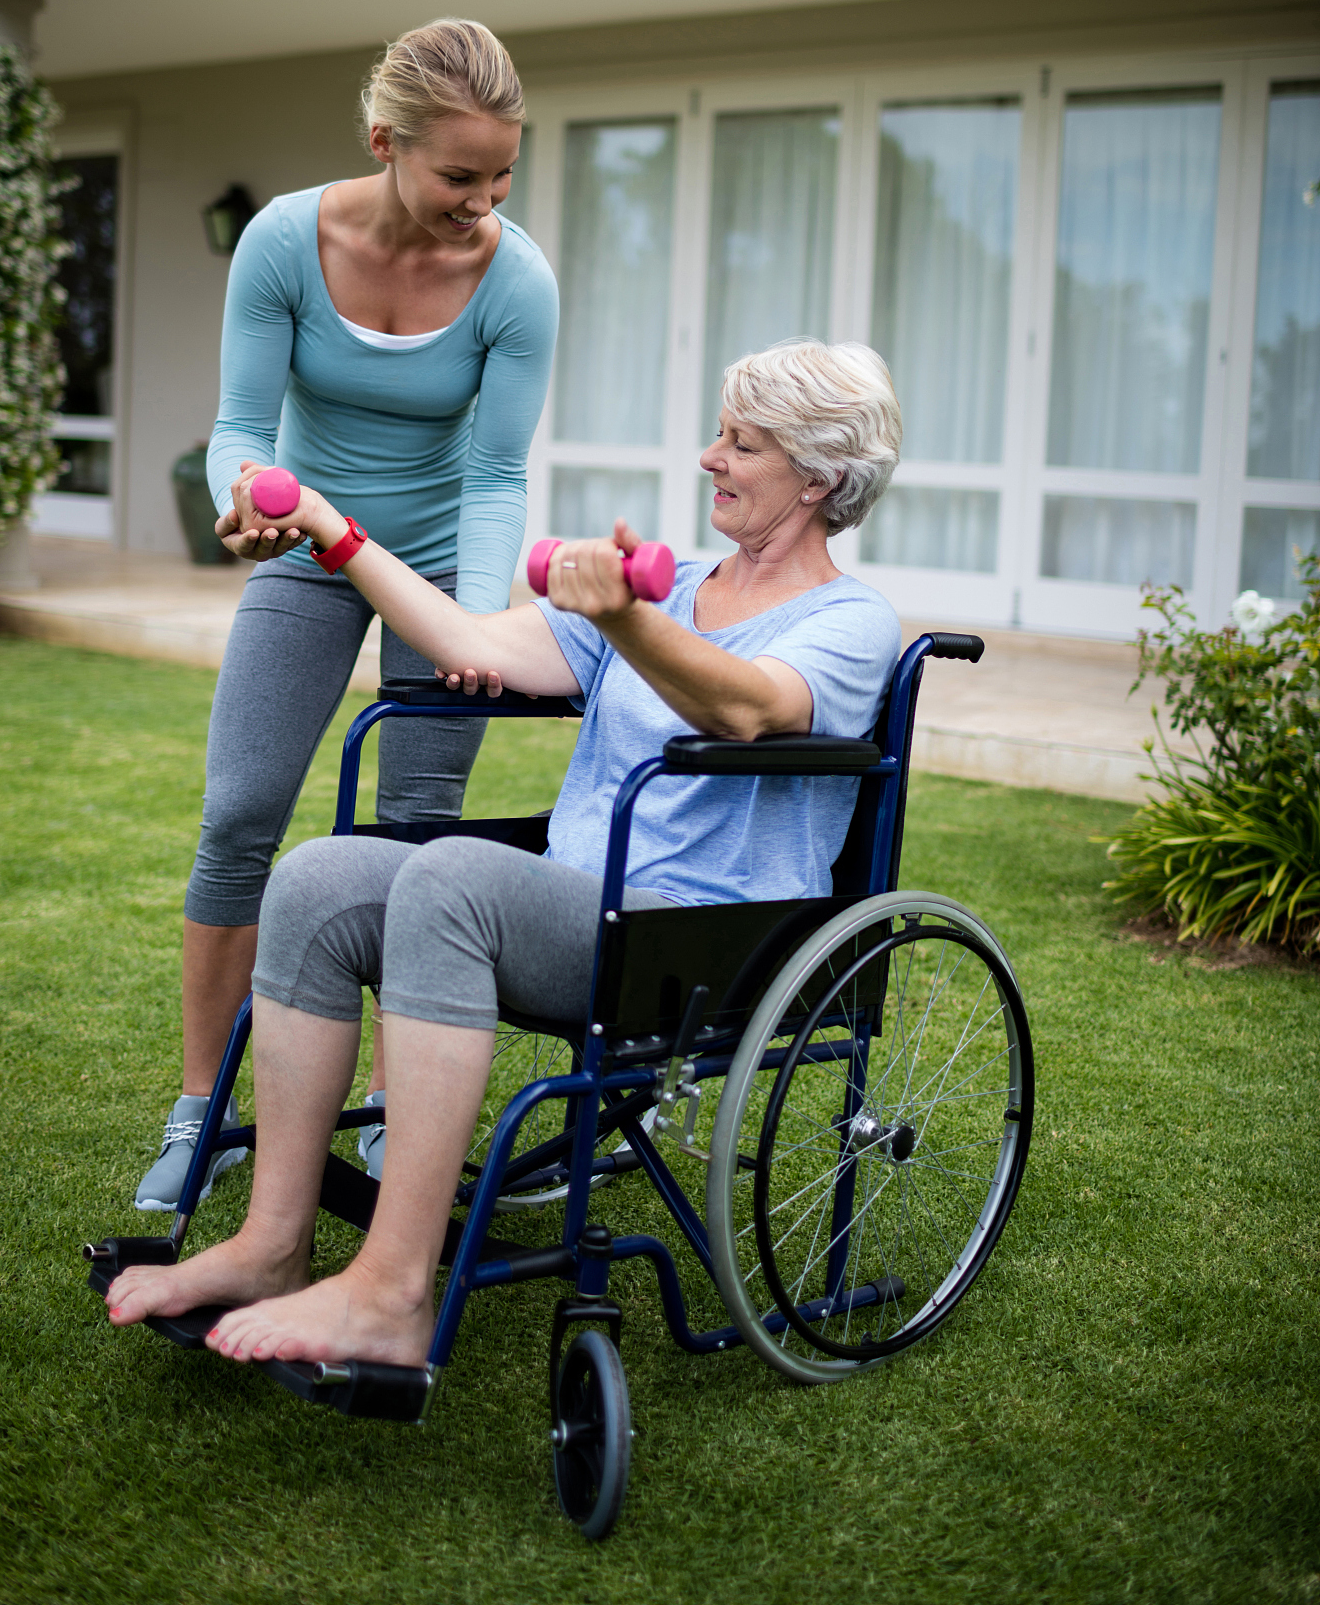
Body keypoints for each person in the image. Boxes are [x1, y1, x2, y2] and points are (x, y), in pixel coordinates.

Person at [108, 340, 902, 1371]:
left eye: (742, 443)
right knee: (317, 874)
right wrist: (332, 529)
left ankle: (391, 1294)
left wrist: (621, 615)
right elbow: (472, 644)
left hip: (702, 935)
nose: (711, 457)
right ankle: (272, 1243)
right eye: (720, 432)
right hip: (580, 902)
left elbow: (749, 707)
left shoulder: (851, 620)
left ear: (820, 478)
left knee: (453, 876)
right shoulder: (675, 586)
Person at [134, 20, 558, 1213]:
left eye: (503, 176)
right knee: (239, 813)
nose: (485, 201)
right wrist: (245, 501)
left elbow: (493, 475)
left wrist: (475, 622)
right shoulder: (282, 240)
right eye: (459, 176)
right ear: (386, 143)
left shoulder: (516, 279)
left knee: (412, 836)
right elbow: (241, 428)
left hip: (435, 567)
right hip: (311, 543)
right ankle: (199, 1110)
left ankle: (385, 1119)